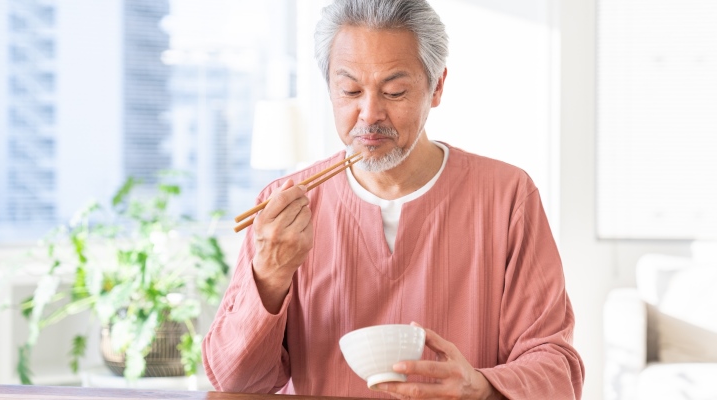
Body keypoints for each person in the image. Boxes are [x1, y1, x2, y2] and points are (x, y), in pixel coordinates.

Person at [202, 0, 585, 398]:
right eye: (350, 90)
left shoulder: (507, 196)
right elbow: (235, 382)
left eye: (394, 91)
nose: (369, 114)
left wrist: (482, 388)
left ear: (437, 87)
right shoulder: (283, 206)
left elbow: (556, 369)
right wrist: (269, 276)